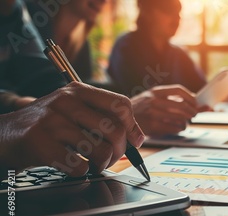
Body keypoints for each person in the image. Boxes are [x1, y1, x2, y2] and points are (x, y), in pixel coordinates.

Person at [0, 0, 145, 178]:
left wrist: (20, 104)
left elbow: (43, 79)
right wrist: (6, 128)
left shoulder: (15, 11)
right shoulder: (36, 13)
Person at [22, 0, 200, 137]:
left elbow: (83, 91)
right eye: (169, 12)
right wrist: (123, 112)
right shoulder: (26, 19)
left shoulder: (81, 42)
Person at [107, 0, 207, 95]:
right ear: (147, 12)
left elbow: (202, 89)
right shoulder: (125, 48)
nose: (177, 18)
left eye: (178, 12)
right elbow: (133, 97)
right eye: (168, 10)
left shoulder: (179, 54)